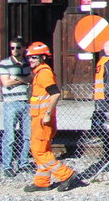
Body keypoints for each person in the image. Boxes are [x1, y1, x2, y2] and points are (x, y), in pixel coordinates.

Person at [24, 42, 79, 192]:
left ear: (43, 57)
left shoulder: (44, 73)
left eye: (34, 57)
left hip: (43, 119)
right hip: (40, 118)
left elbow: (55, 93)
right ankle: (42, 182)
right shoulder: (40, 73)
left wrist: (47, 114)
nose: (31, 60)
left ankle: (66, 175)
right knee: (42, 150)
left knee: (39, 151)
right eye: (29, 58)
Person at [0, 37, 33, 177]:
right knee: (10, 136)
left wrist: (16, 78)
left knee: (27, 135)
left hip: (25, 101)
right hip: (10, 103)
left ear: (23, 48)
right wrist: (22, 79)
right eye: (12, 48)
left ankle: (23, 162)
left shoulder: (27, 63)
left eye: (18, 47)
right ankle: (7, 165)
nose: (15, 50)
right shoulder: (4, 63)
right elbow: (5, 83)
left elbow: (31, 79)